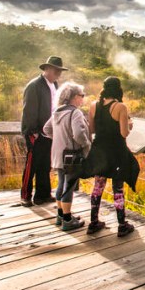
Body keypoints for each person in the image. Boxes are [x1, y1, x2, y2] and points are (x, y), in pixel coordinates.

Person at [85, 76, 140, 237]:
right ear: (118, 89)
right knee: (118, 188)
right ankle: (122, 225)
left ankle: (93, 222)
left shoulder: (94, 105)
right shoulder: (120, 107)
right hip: (116, 152)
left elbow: (92, 130)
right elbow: (124, 133)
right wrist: (129, 125)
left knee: (98, 187)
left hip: (100, 151)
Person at [20, 56, 68, 207]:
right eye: (56, 70)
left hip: (49, 132)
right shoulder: (34, 85)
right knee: (32, 164)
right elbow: (29, 110)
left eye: (60, 71)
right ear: (47, 69)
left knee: (45, 164)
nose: (58, 73)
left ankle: (42, 195)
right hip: (35, 132)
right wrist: (32, 131)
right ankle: (25, 196)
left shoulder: (54, 84)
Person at [43, 82, 91, 231]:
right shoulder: (75, 112)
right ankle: (68, 220)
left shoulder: (57, 112)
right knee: (68, 186)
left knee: (61, 184)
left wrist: (59, 139)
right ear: (74, 97)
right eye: (81, 96)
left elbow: (46, 129)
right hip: (71, 156)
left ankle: (61, 215)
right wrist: (86, 145)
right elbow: (78, 134)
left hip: (58, 155)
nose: (83, 99)